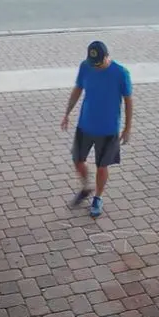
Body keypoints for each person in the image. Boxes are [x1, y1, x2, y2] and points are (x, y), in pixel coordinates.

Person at [61, 41, 133, 217]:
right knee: (77, 160)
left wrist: (127, 128)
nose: (96, 67)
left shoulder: (121, 73)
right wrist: (67, 113)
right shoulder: (85, 67)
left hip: (108, 129)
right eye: (94, 63)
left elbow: (128, 101)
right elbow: (78, 89)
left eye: (99, 63)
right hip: (85, 124)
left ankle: (98, 198)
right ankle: (86, 186)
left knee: (102, 166)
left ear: (107, 57)